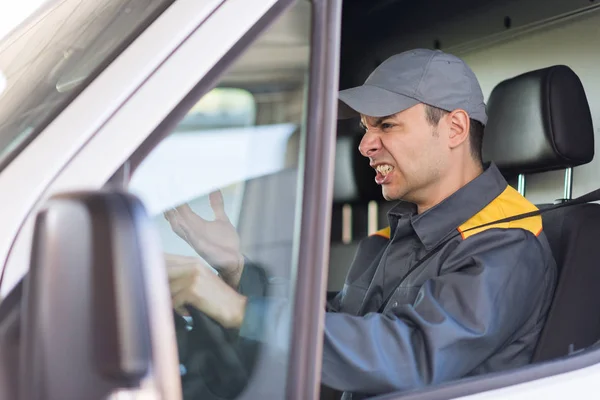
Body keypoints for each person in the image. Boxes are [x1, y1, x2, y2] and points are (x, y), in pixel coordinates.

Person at [163, 49, 557, 399]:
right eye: (367, 128)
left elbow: (409, 356)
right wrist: (236, 270)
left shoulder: (505, 243)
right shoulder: (404, 231)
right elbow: (340, 321)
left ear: (454, 128)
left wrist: (241, 312)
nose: (365, 144)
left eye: (386, 125)